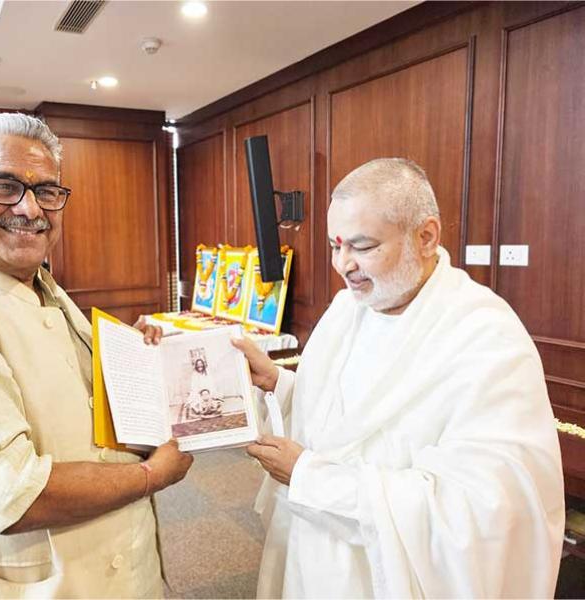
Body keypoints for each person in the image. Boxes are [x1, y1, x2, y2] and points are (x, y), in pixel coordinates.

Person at [0, 114, 193, 598]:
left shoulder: (44, 289)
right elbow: (8, 497)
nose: (30, 208)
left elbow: (62, 388)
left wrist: (127, 356)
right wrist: (152, 475)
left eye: (47, 191)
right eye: (4, 186)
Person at [232, 158, 564, 598]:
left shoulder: (484, 335)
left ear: (425, 236)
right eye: (336, 245)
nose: (344, 265)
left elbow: (485, 509)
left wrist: (312, 478)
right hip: (314, 550)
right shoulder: (346, 309)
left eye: (363, 246)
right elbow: (343, 416)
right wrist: (278, 382)